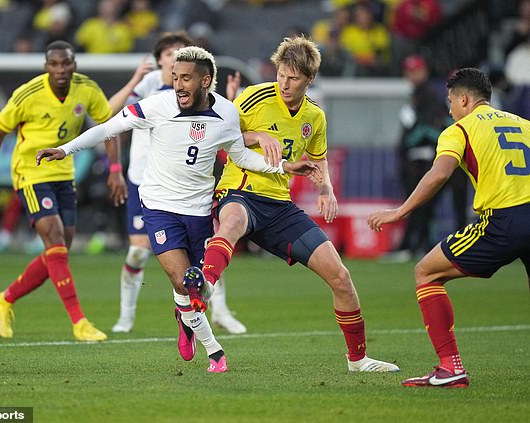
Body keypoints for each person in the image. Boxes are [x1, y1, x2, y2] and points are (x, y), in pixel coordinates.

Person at [36, 46, 318, 372]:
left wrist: (283, 167)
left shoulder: (226, 113)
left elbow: (239, 156)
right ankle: (215, 352)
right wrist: (64, 149)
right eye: (174, 77)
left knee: (199, 290)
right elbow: (109, 128)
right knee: (185, 281)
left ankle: (183, 317)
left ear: (206, 80)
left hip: (198, 210)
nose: (178, 84)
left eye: (186, 78)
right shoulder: (157, 105)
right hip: (158, 206)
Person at [185, 36, 400, 373]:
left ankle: (358, 360)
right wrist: (258, 137)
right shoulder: (255, 97)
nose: (284, 83)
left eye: (294, 78)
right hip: (240, 190)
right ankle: (203, 290)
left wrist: (326, 189)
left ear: (309, 79)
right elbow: (218, 134)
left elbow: (318, 158)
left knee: (341, 277)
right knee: (232, 223)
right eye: (281, 74)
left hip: (279, 205)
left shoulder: (315, 116)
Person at [0, 40, 150, 342]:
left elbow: (108, 126)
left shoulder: (86, 89)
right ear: (46, 67)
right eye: (54, 64)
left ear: (74, 65)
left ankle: (4, 299)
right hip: (30, 173)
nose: (60, 70)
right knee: (55, 239)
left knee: (58, 252)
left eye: (66, 63)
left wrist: (115, 170)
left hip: (64, 173)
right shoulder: (28, 94)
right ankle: (79, 322)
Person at [368, 68, 530, 387]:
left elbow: (439, 174)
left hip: (504, 221)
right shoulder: (524, 124)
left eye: (451, 101)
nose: (450, 109)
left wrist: (401, 211)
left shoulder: (460, 129)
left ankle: (450, 367)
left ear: (465, 99)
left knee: (426, 272)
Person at [110, 31, 248, 335]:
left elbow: (225, 128)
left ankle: (219, 311)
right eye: (170, 52)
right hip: (144, 181)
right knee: (137, 253)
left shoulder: (192, 93)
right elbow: (109, 114)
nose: (176, 56)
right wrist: (134, 81)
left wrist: (231, 101)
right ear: (159, 59)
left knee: (206, 255)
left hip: (187, 186)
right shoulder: (150, 88)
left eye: (181, 52)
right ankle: (126, 316)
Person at [383, 55, 450, 262]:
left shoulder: (430, 94)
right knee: (418, 204)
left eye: (415, 70)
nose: (411, 75)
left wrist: (414, 136)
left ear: (424, 71)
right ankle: (417, 245)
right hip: (414, 159)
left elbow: (431, 129)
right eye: (408, 71)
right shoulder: (418, 94)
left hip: (424, 159)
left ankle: (415, 245)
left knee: (419, 204)